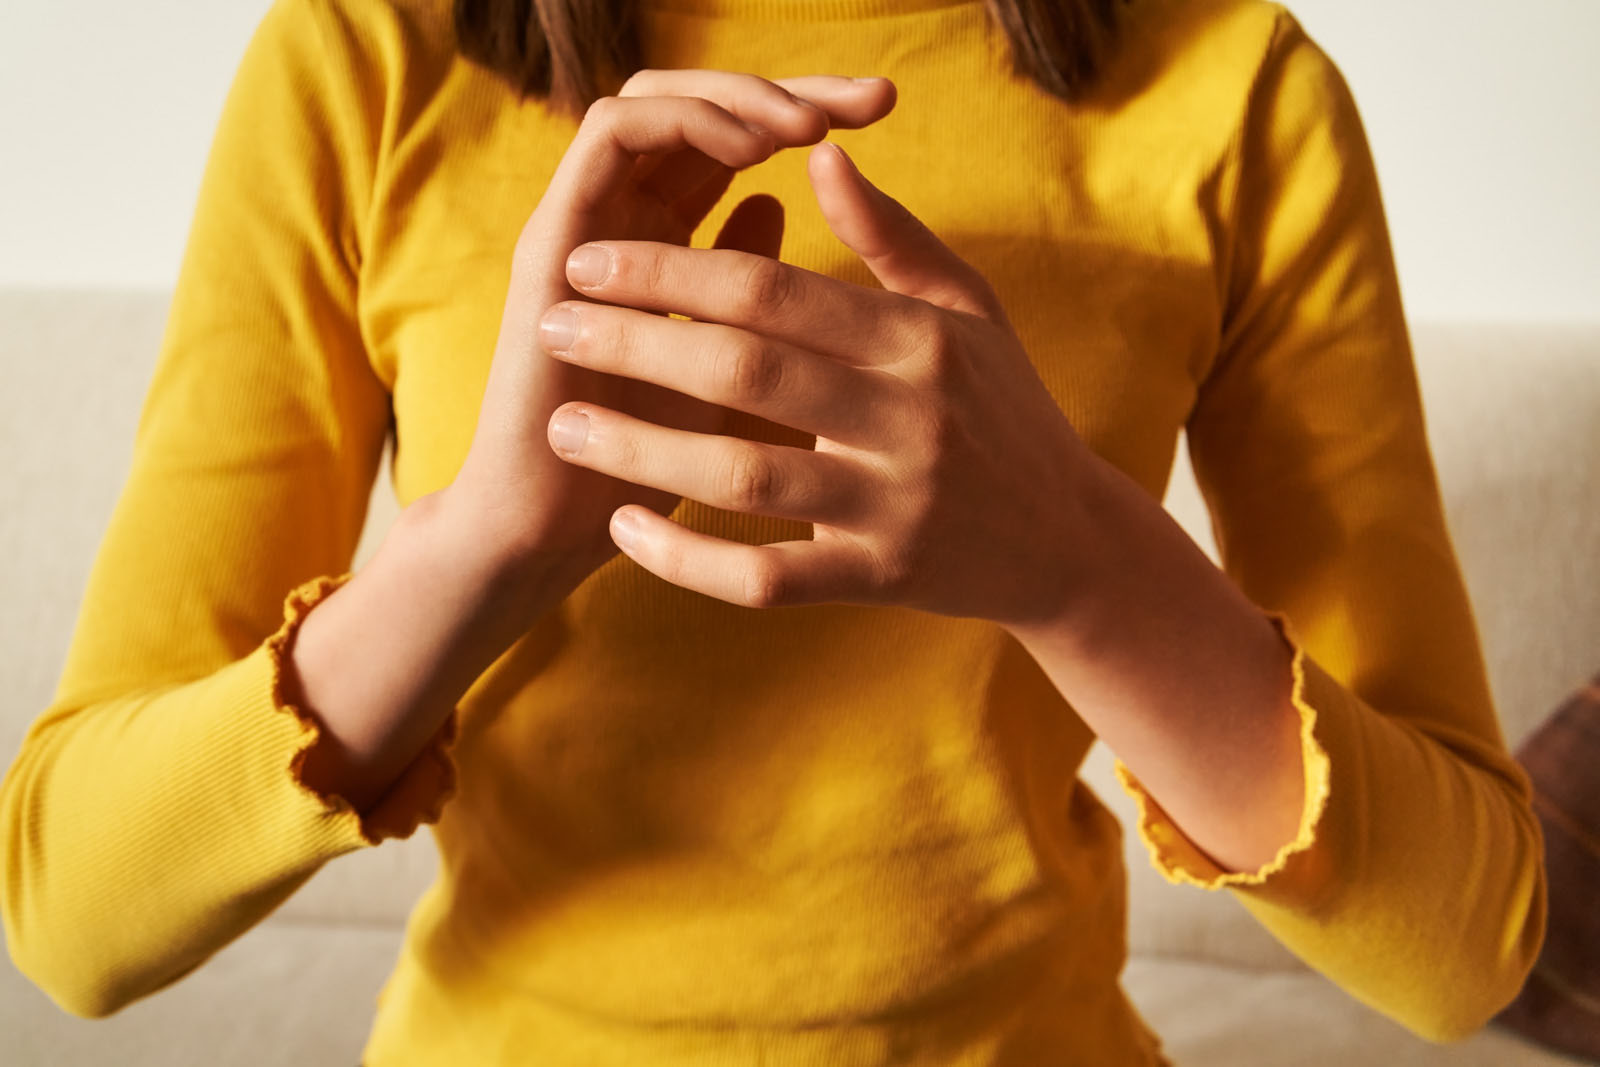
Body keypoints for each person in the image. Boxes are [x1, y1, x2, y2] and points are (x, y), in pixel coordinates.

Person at [0, 0, 1548, 1062]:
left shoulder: (1238, 84)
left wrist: (1080, 560)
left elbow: (1464, 942)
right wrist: (489, 541)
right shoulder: (359, 61)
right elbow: (77, 910)